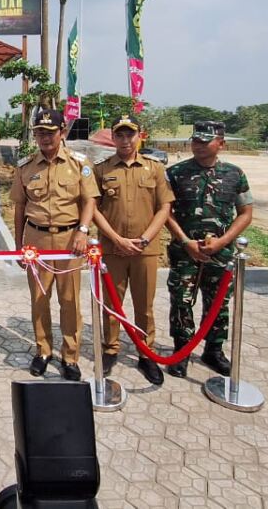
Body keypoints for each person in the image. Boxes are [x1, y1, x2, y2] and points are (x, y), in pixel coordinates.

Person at [10, 108, 98, 381]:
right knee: (39, 298)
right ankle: (43, 351)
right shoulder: (25, 166)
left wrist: (83, 231)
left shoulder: (79, 163)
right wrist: (19, 245)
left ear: (63, 132)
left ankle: (70, 356)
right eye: (39, 133)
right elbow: (19, 208)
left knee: (69, 300)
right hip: (36, 240)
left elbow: (90, 201)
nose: (45, 138)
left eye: (50, 132)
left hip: (70, 240)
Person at [164, 121, 255, 379]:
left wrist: (223, 241)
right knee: (181, 301)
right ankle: (182, 350)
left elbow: (245, 213)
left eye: (205, 141)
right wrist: (185, 241)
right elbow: (165, 212)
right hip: (185, 251)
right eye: (196, 140)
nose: (199, 145)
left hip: (221, 252)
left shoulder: (234, 174)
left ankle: (214, 350)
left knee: (218, 302)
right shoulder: (175, 173)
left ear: (221, 143)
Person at [91, 115, 173, 385]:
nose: (125, 140)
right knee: (111, 304)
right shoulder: (102, 169)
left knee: (144, 305)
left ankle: (146, 352)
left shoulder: (155, 168)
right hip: (112, 249)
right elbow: (93, 208)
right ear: (113, 138)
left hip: (144, 251)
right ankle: (110, 348)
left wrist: (145, 239)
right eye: (120, 135)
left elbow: (164, 207)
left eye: (130, 134)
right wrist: (115, 238)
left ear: (140, 136)